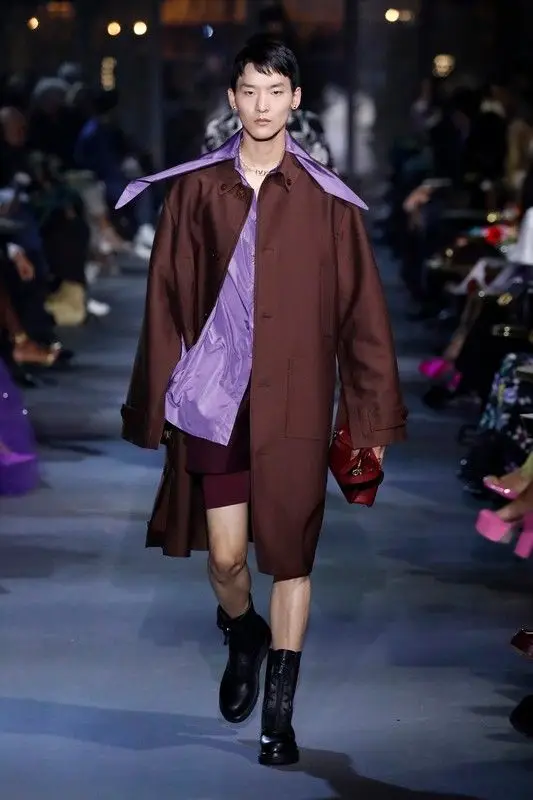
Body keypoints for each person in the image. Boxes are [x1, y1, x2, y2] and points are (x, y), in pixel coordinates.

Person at [117, 35, 407, 766]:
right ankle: (242, 629)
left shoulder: (327, 200)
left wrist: (370, 414)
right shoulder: (196, 190)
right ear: (232, 99)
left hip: (297, 399)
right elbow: (164, 298)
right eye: (249, 91)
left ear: (295, 100)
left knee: (291, 554)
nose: (262, 106)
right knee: (225, 558)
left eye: (275, 92)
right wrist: (154, 400)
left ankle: (279, 719)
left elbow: (362, 313)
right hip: (215, 397)